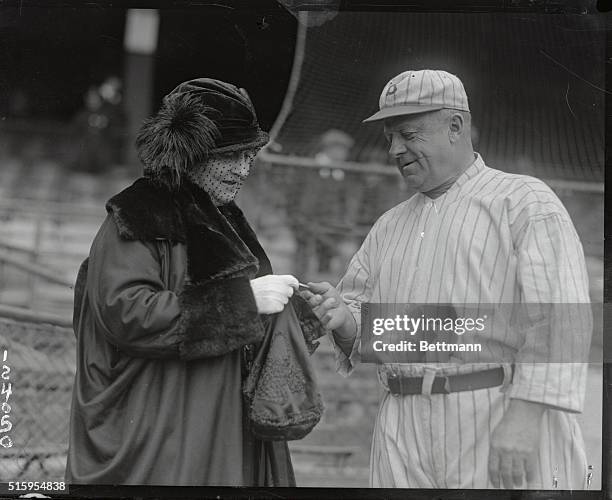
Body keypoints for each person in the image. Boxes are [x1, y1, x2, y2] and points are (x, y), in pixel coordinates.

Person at [302, 70, 592, 489]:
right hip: (401, 425)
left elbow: (561, 319)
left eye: (408, 133)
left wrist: (525, 420)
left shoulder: (523, 201)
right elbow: (374, 336)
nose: (394, 149)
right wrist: (342, 320)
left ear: (456, 126)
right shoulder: (389, 225)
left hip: (493, 412)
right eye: (390, 136)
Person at [66, 78, 323, 486]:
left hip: (220, 426)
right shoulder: (136, 216)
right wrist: (243, 300)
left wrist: (300, 312)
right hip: (166, 435)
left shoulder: (226, 219)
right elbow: (126, 314)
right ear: (192, 155)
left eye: (249, 155)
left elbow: (247, 319)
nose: (242, 170)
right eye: (230, 156)